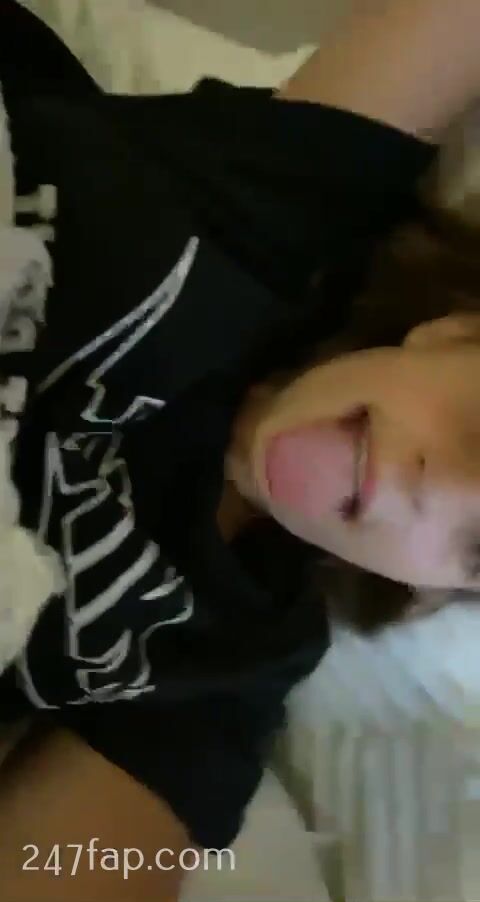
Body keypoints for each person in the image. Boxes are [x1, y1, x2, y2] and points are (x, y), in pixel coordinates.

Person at [1, 1, 480, 899]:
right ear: (454, 332)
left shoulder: (227, 658)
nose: (438, 486)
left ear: (430, 591)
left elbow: (64, 873)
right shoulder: (292, 213)